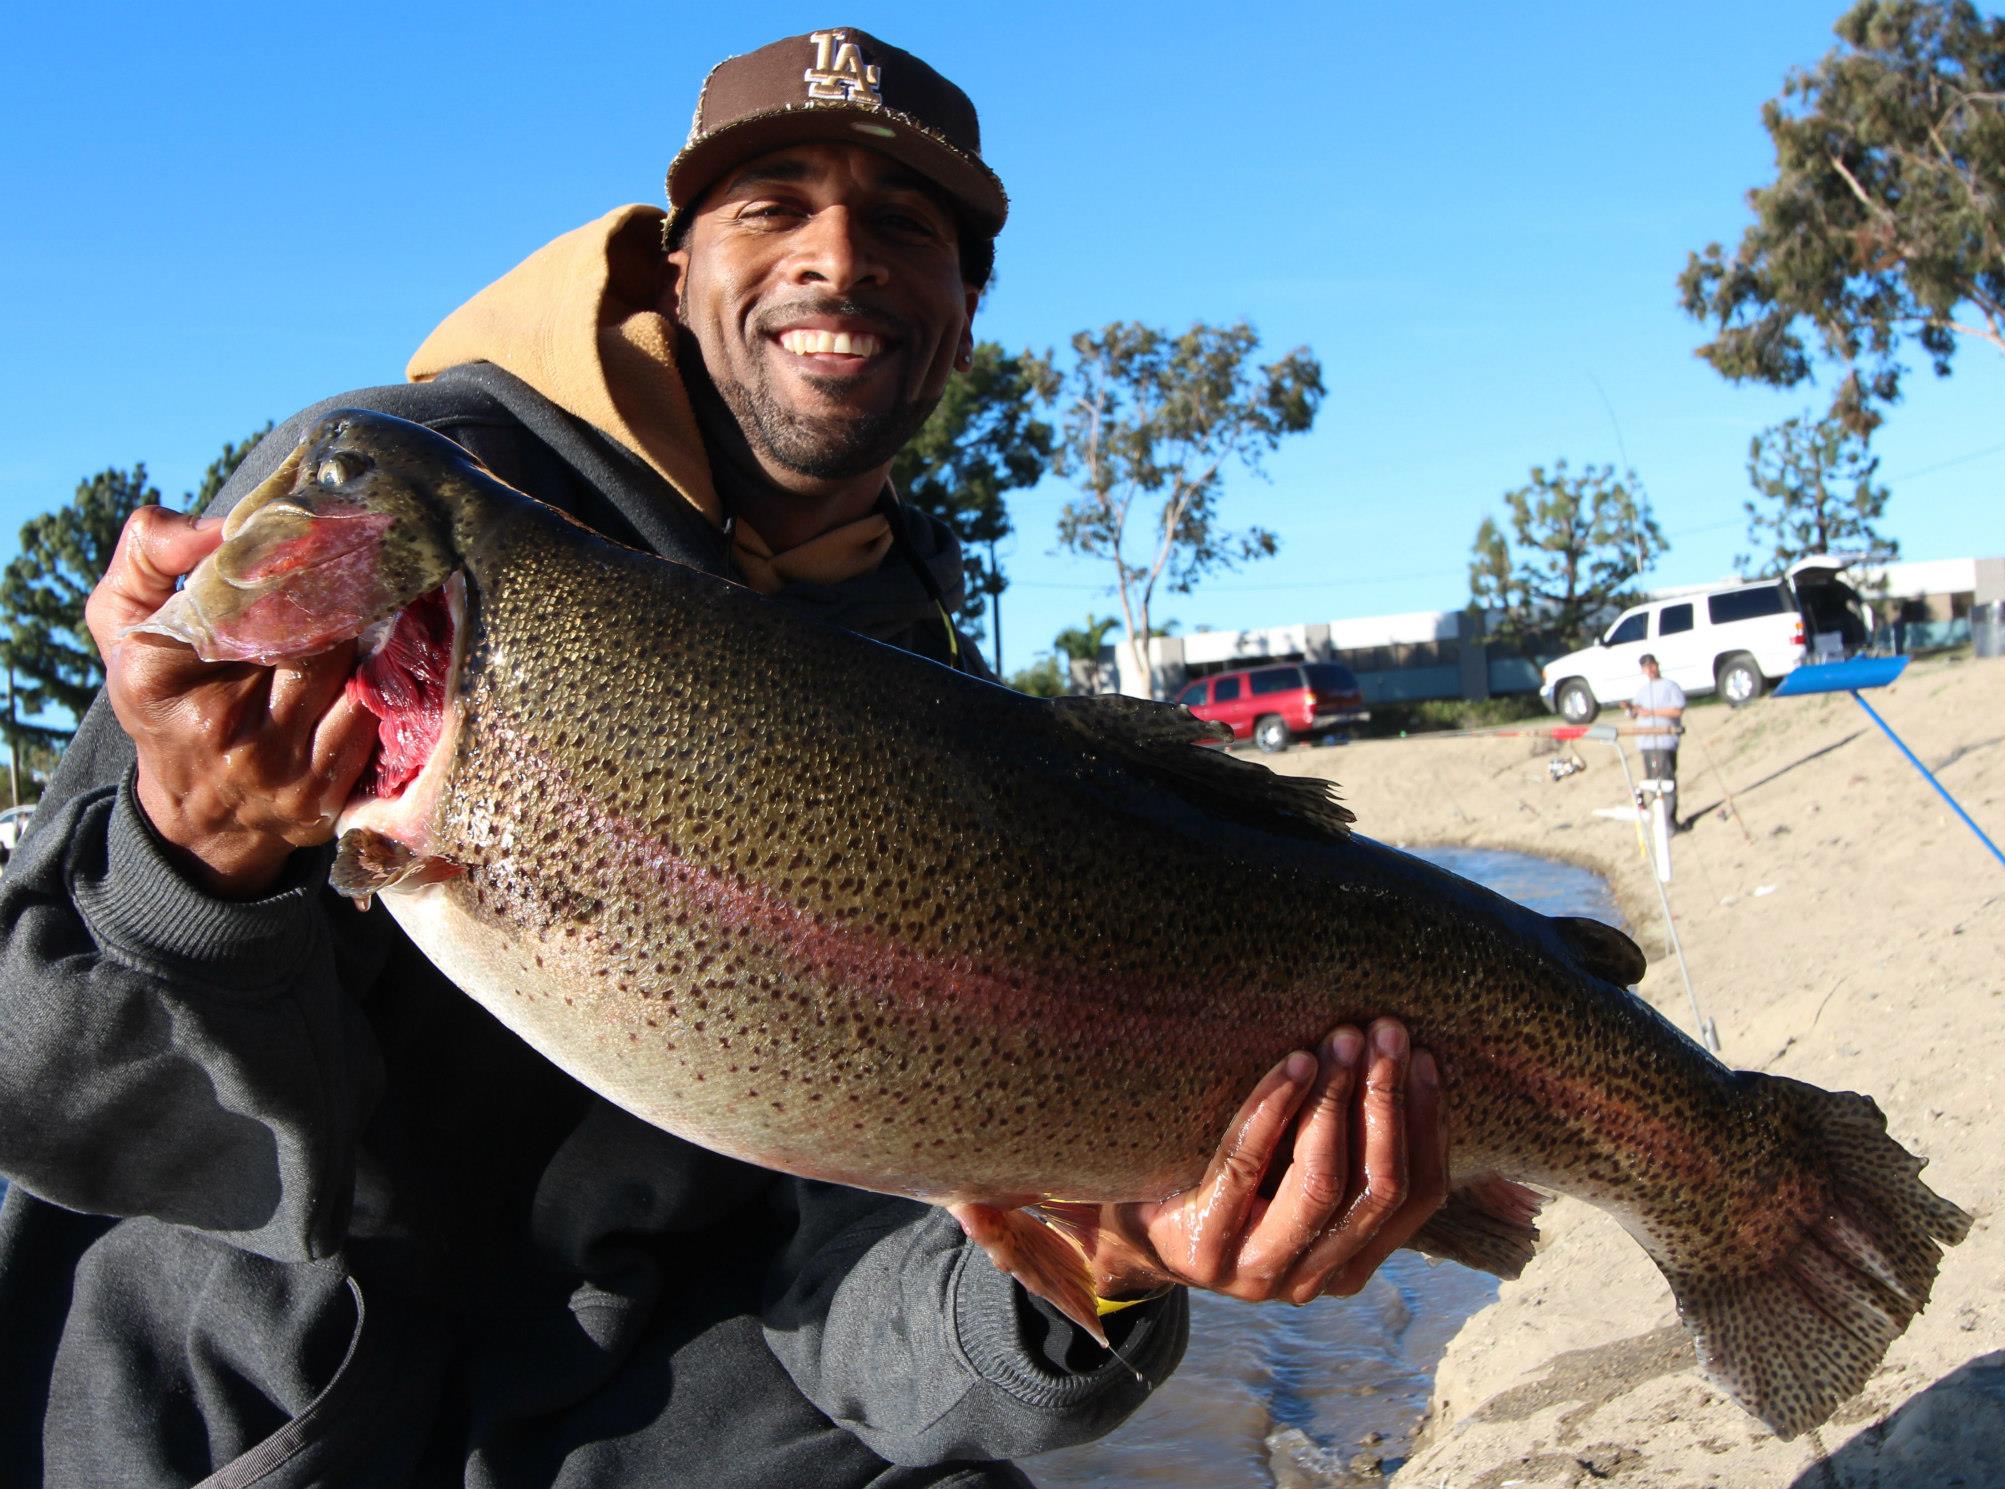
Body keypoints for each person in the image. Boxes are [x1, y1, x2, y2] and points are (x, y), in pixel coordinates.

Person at [0, 29, 1448, 1489]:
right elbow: (45, 1087)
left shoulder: (939, 714)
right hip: (232, 1422)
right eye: (773, 204)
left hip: (652, 1423)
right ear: (673, 267)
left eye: (905, 225)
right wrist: (191, 871)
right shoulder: (388, 494)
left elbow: (863, 1301)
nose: (839, 257)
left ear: (963, 318)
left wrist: (1103, 1256)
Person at [1625, 653, 1687, 830]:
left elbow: (1677, 710)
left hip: (1664, 743)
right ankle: (1660, 820)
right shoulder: (1642, 691)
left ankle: (1669, 823)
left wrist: (1651, 713)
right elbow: (1635, 713)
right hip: (1648, 746)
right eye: (1646, 667)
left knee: (1665, 780)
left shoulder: (1670, 686)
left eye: (1652, 665)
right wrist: (1631, 710)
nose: (1650, 670)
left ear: (1657, 665)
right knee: (1653, 780)